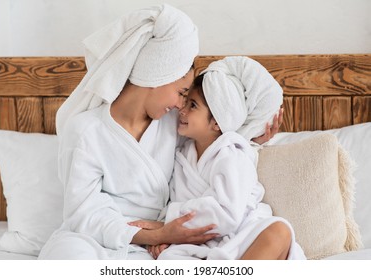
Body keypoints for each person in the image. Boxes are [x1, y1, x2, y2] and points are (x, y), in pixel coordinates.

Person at [38, 4, 282, 260]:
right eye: (180, 93)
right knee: (69, 257)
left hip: (157, 245)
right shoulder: (86, 131)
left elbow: (212, 143)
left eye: (188, 100)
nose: (181, 105)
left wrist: (250, 137)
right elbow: (83, 213)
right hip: (98, 239)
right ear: (157, 76)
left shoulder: (173, 124)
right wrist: (157, 235)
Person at [138, 57, 306, 260]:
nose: (181, 110)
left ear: (217, 122)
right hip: (198, 241)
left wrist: (168, 224)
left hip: (242, 236)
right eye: (185, 101)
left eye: (192, 105)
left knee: (279, 231)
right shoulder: (182, 156)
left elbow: (228, 212)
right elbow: (174, 200)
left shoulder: (233, 154)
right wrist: (168, 236)